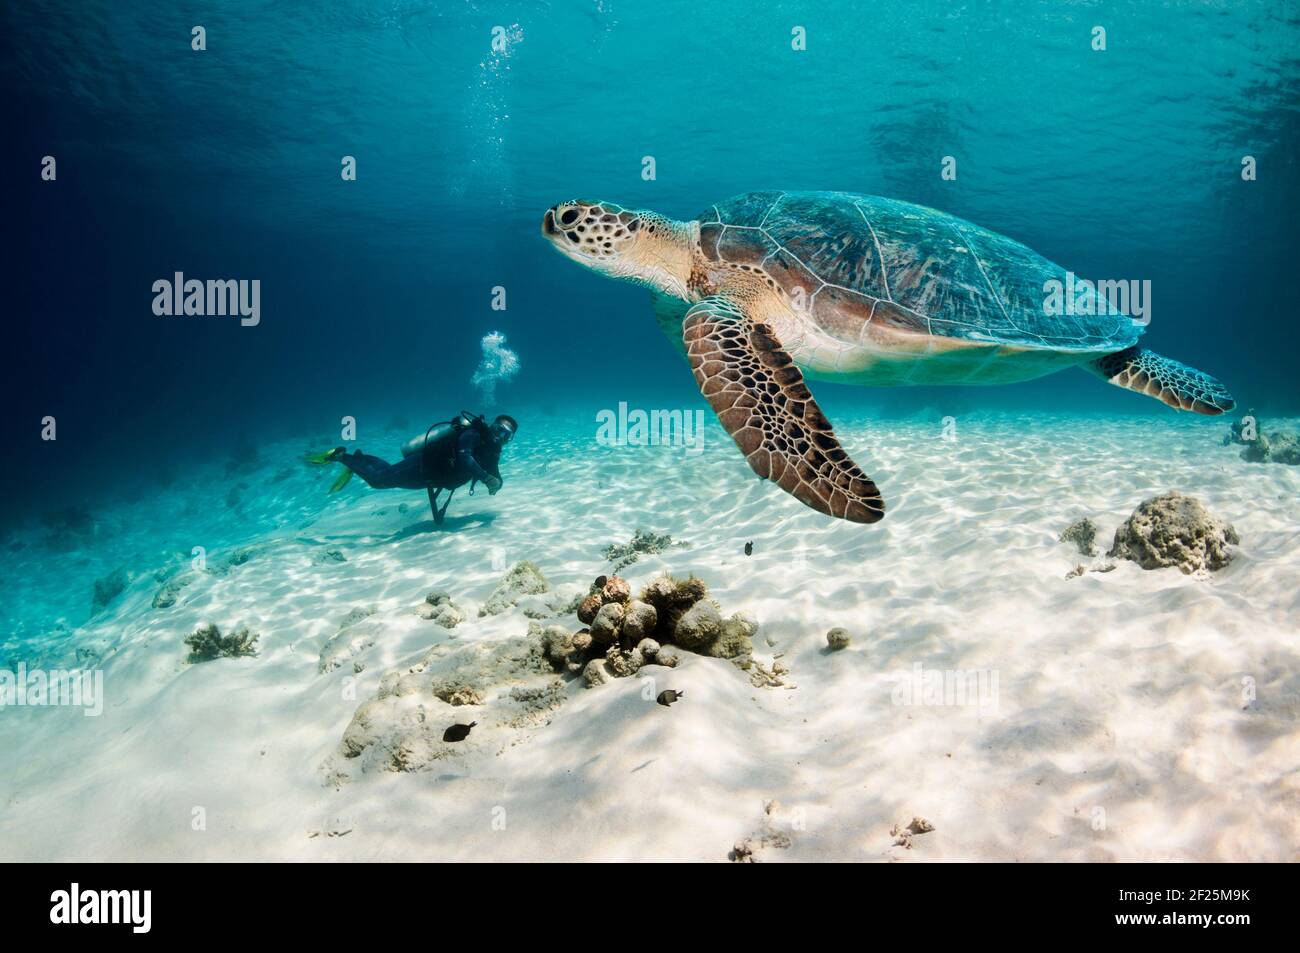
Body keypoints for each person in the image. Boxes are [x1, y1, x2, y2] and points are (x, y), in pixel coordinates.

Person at [307, 413, 516, 525]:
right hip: (423, 466)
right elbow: (464, 458)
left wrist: (496, 483)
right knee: (378, 481)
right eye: (499, 429)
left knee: (385, 475)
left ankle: (360, 459)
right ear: (491, 425)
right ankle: (341, 456)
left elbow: (494, 473)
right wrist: (487, 478)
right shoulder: (474, 435)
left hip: (432, 478)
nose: (500, 436)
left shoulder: (493, 451)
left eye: (506, 435)